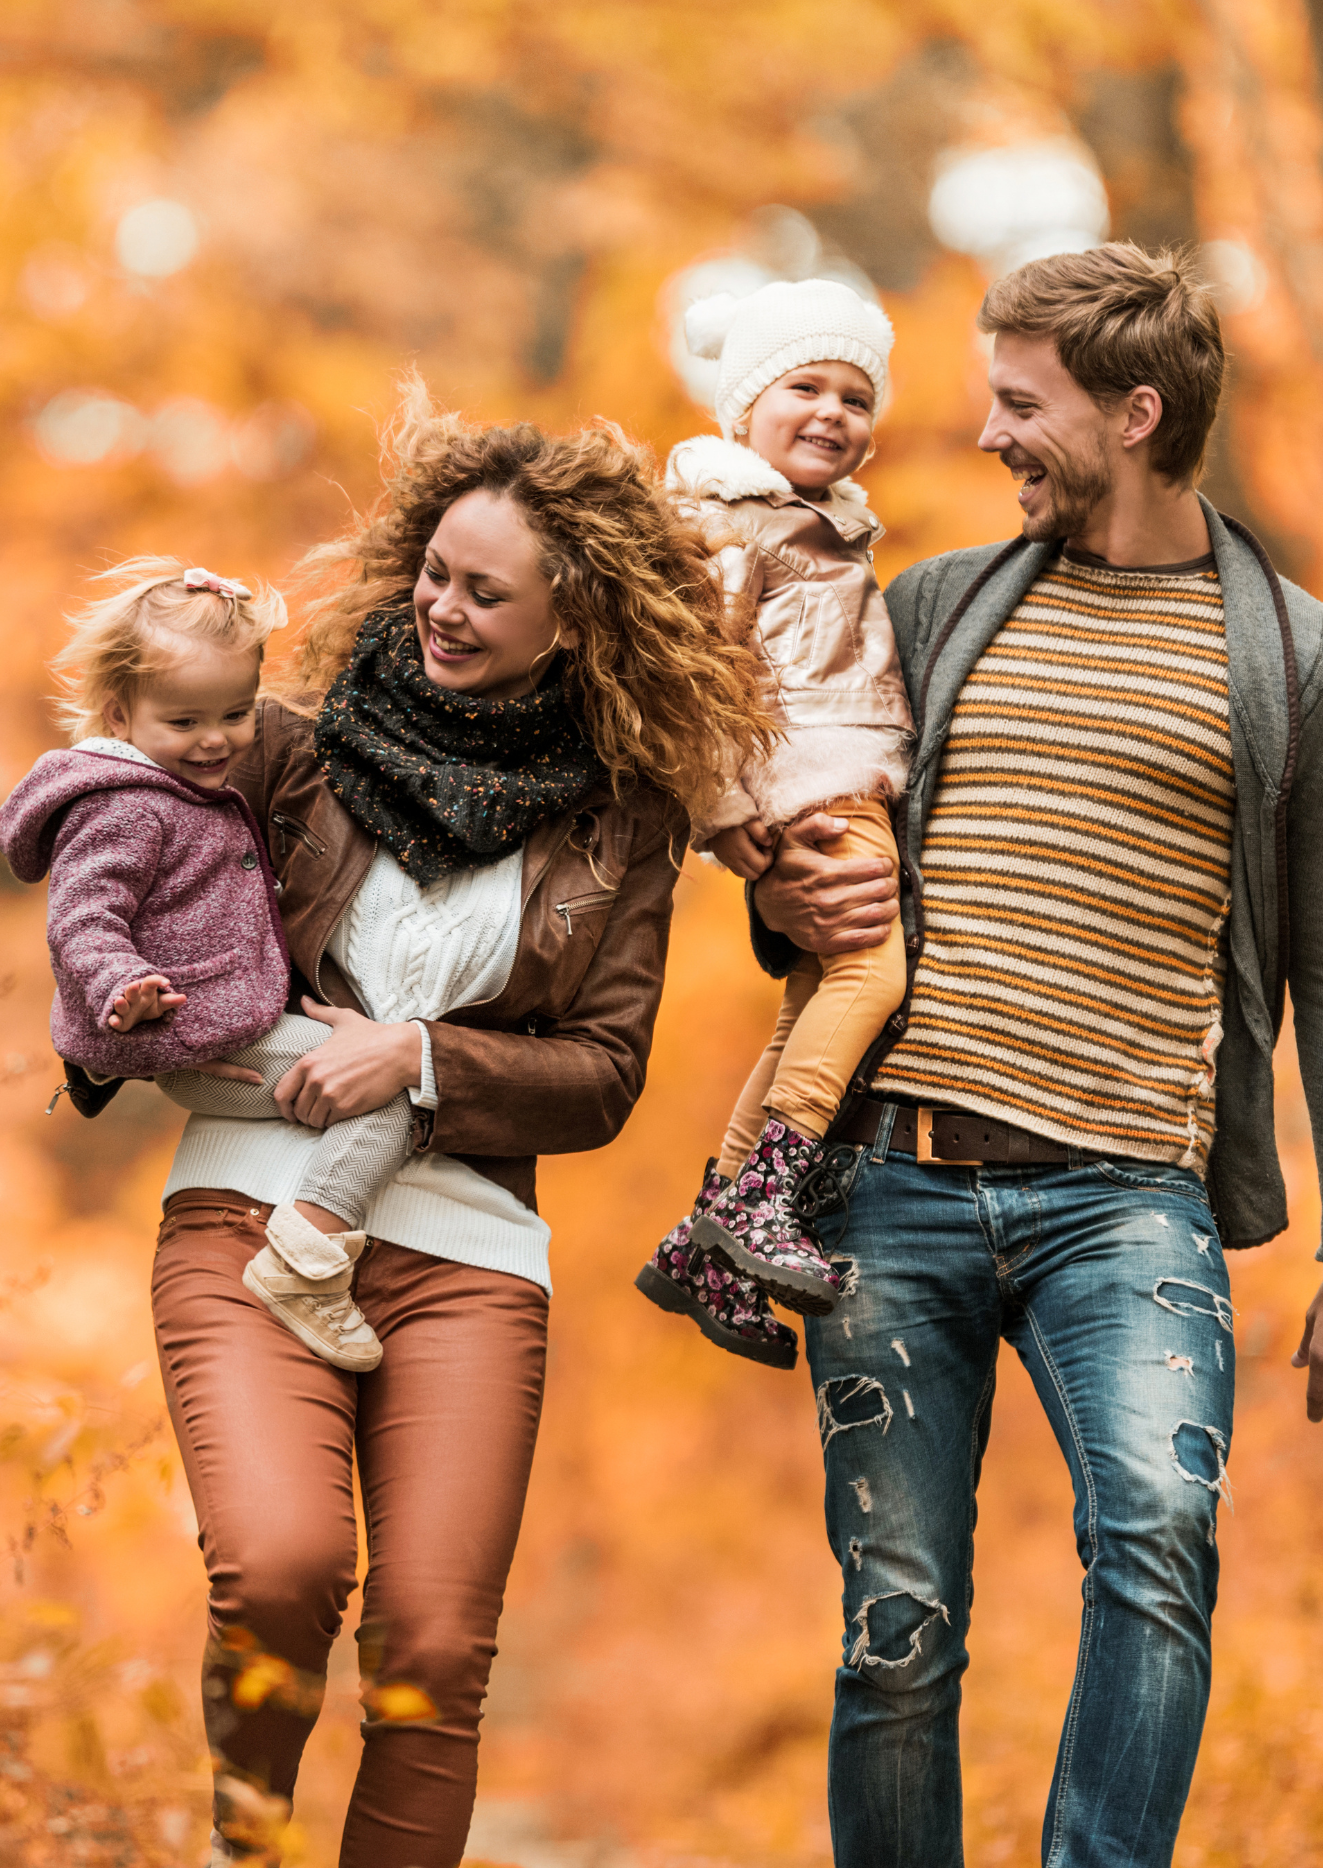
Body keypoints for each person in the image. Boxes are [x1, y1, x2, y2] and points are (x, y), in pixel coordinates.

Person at [746, 243, 1323, 1867]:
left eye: (1016, 403)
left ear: (1132, 411)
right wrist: (780, 888)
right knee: (894, 1622)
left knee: (1158, 1543)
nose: (983, 433)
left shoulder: (1300, 666)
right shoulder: (930, 607)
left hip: (1127, 1203)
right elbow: (813, 888)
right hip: (888, 1189)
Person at [130, 387, 766, 1866]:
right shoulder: (292, 753)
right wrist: (117, 994)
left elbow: (605, 1072)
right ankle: (244, 1848)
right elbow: (133, 821)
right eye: (436, 574)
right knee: (282, 1569)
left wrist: (418, 1057)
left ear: (572, 623)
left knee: (429, 1653)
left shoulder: (622, 817)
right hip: (248, 1210)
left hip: (470, 1255)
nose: (442, 609)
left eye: (488, 593)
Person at [0, 559, 433, 1373]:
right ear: (121, 715)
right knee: (392, 1095)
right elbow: (83, 919)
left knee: (370, 1081)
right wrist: (119, 989)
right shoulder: (124, 805)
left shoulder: (178, 785)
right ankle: (306, 1262)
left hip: (229, 1025)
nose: (216, 740)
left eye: (237, 713)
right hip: (198, 1041)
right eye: (186, 721)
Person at [633, 278, 913, 1369]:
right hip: (811, 777)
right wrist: (720, 807)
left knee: (809, 1001)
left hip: (829, 773)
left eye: (855, 396)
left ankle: (704, 1234)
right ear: (743, 408)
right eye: (804, 385)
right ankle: (763, 1193)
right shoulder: (731, 520)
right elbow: (685, 673)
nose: (833, 412)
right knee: (868, 980)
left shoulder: (821, 523)